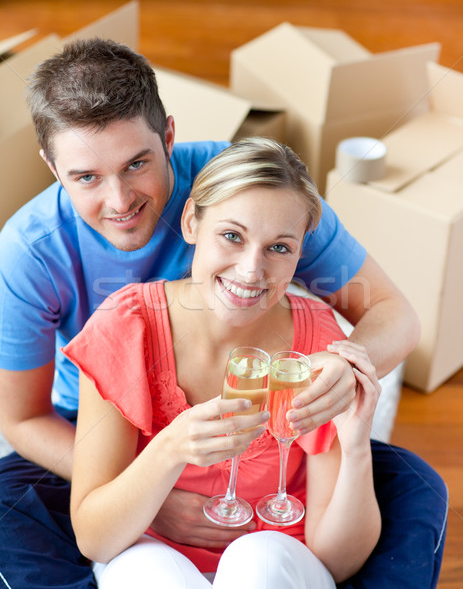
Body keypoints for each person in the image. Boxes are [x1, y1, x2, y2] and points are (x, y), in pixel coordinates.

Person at [0, 38, 445, 589]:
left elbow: (391, 313)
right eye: (85, 177)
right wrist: (153, 492)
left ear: (167, 137)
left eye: (137, 163)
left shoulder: (253, 189)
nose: (118, 201)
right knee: (14, 515)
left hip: (264, 432)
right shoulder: (29, 252)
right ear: (51, 167)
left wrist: (343, 373)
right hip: (91, 426)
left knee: (414, 491)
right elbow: (20, 419)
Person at [63, 137, 383, 588]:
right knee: (148, 571)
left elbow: (338, 561)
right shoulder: (126, 326)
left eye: (279, 248)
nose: (252, 270)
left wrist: (355, 445)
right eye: (232, 236)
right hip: (148, 549)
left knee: (258, 561)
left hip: (278, 559)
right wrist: (172, 446)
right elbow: (95, 539)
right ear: (192, 221)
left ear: (299, 254)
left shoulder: (316, 346)